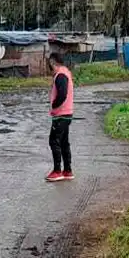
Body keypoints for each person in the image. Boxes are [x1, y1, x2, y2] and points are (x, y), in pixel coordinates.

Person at [46, 53, 75, 182]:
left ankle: (57, 171)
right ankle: (67, 170)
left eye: (50, 65)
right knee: (64, 142)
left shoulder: (61, 75)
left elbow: (62, 95)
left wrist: (54, 105)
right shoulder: (66, 73)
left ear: (53, 62)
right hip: (66, 114)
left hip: (61, 114)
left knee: (54, 141)